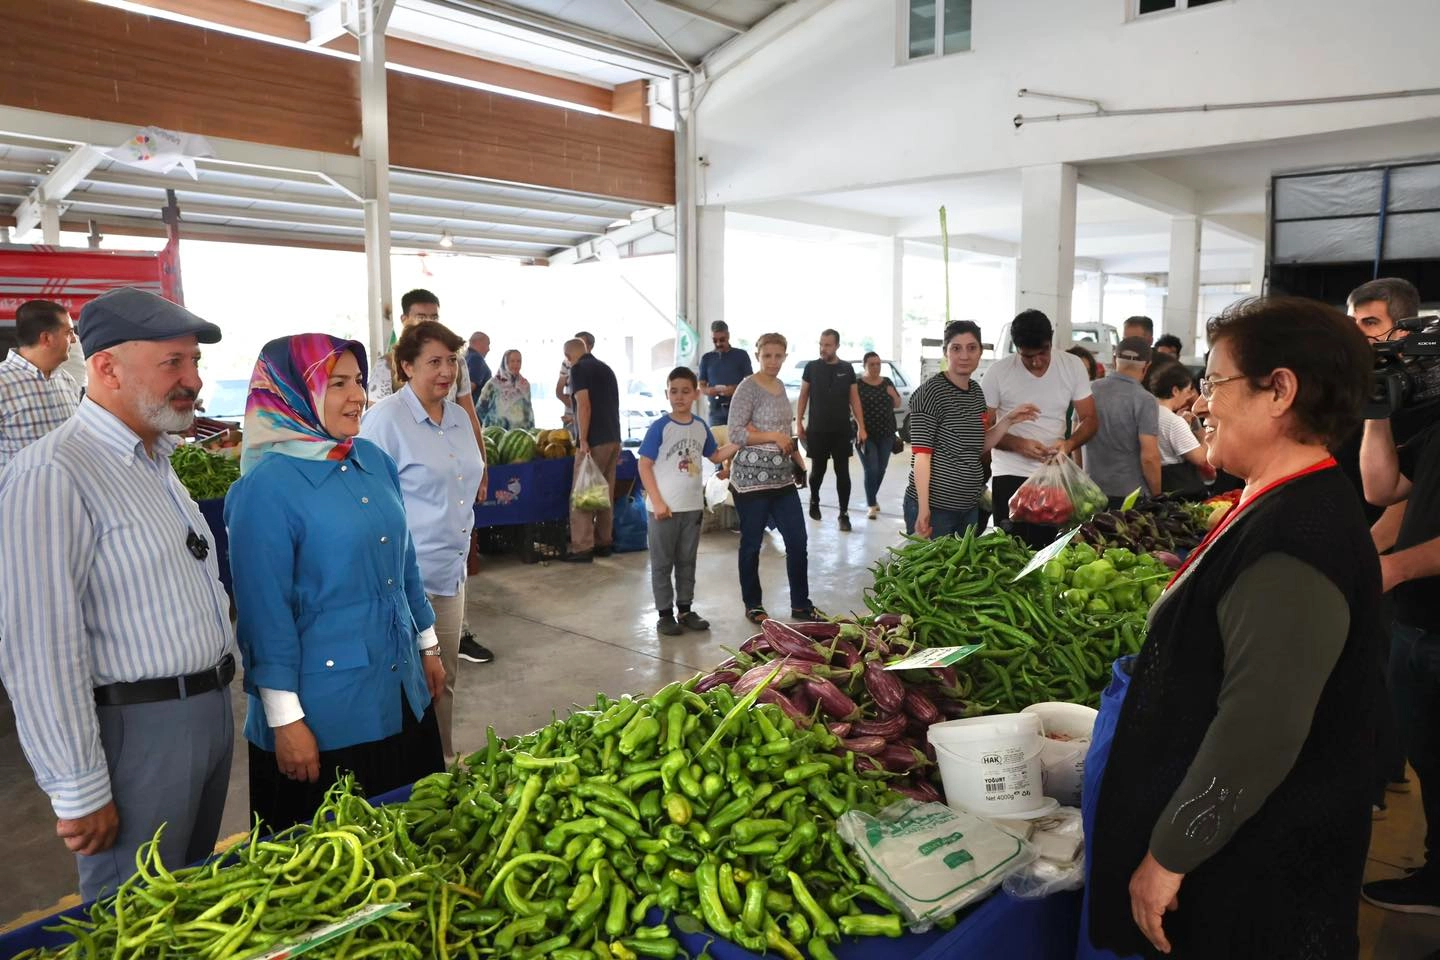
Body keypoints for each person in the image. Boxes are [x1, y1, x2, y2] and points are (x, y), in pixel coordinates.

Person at [1089, 296, 1381, 959]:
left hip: (1253, 874)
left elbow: (1260, 730)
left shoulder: (1296, 541)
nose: (1199, 405)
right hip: (1246, 852)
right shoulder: (1283, 501)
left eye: (1215, 384)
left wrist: (1168, 856)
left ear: (1279, 390)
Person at [0, 287, 234, 900]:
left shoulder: (156, 461)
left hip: (204, 713)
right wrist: (78, 787)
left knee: (186, 908)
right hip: (136, 733)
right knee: (133, 918)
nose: (193, 380)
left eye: (195, 363)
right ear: (105, 367)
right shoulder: (54, 473)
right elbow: (39, 647)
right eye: (173, 363)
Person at [226, 334, 446, 831]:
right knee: (340, 860)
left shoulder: (373, 462)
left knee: (417, 835)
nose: (357, 396)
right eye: (338, 383)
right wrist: (284, 719)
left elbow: (405, 565)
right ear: (290, 393)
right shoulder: (265, 488)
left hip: (400, 688)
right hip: (326, 716)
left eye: (360, 382)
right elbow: (265, 614)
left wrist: (427, 645)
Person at [361, 321, 487, 761]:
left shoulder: (456, 417)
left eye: (451, 360)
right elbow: (365, 499)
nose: (446, 370)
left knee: (443, 678)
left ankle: (441, 764)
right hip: (402, 579)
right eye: (434, 361)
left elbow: (465, 479)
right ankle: (404, 775)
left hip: (449, 575)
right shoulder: (384, 421)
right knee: (403, 683)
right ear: (406, 367)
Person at [1359, 311, 1440, 916]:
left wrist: (1396, 567)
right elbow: (1380, 488)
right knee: (1428, 760)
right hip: (1416, 624)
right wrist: (1376, 411)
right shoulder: (1435, 431)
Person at [905, 321, 1038, 539]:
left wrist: (1008, 420)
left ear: (980, 352)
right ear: (945, 352)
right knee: (934, 571)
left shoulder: (976, 392)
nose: (964, 355)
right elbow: (921, 456)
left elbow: (977, 446)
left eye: (971, 348)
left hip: (968, 508)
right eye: (956, 348)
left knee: (961, 571)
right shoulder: (929, 394)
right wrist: (923, 508)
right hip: (936, 509)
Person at [636, 367, 739, 637]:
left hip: (692, 507)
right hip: (663, 510)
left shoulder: (700, 426)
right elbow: (644, 465)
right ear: (667, 394)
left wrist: (739, 442)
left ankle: (685, 609)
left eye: (685, 391)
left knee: (686, 561)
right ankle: (664, 614)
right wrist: (657, 501)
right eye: (673, 391)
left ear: (695, 394)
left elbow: (715, 456)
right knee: (662, 563)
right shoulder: (660, 427)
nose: (679, 397)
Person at [982, 309, 1098, 546]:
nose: (1036, 361)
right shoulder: (998, 373)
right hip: (1009, 474)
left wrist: (1069, 443)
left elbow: (1090, 419)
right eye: (1027, 356)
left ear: (1051, 340)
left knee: (1050, 549)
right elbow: (981, 432)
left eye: (1042, 353)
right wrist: (1017, 444)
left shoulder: (1072, 366)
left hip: (1054, 475)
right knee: (1010, 550)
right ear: (1016, 348)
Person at [727, 333, 818, 624]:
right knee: (752, 543)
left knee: (797, 540)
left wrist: (799, 463)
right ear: (758, 356)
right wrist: (773, 437)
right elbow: (736, 433)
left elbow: (786, 434)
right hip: (751, 480)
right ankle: (753, 603)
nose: (773, 361)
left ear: (785, 357)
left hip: (782, 480)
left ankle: (801, 604)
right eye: (767, 356)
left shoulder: (780, 387)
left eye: (779, 356)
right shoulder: (747, 388)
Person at [370, 289, 483, 445]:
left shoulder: (458, 362)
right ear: (404, 319)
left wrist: (482, 466)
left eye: (434, 317)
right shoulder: (386, 366)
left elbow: (470, 418)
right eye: (421, 317)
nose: (429, 323)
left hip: (453, 447)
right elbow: (377, 424)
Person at [0, 299, 81, 473]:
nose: (74, 340)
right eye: (69, 333)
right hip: (20, 498)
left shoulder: (67, 381)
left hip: (68, 494)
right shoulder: (2, 383)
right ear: (46, 338)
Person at [797, 328, 866, 531]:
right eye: (821, 344)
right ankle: (814, 499)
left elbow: (855, 399)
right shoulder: (811, 367)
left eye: (827, 345)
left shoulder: (847, 368)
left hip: (841, 430)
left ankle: (843, 514)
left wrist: (862, 426)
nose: (823, 348)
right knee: (817, 471)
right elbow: (803, 395)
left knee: (842, 472)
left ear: (836, 346)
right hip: (817, 429)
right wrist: (799, 421)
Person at [562, 336, 621, 563]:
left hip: (594, 439)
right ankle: (604, 542)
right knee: (604, 492)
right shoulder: (606, 369)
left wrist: (583, 439)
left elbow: (584, 405)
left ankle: (582, 547)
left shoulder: (578, 370)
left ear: (568, 356)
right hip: (613, 438)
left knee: (583, 493)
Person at [1084, 337, 1161, 505]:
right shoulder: (1145, 400)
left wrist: (1084, 479)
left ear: (1113, 359)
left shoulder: (1089, 389)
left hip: (1091, 492)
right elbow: (1149, 457)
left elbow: (1078, 438)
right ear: (1147, 366)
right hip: (1130, 496)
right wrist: (1157, 496)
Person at [1149, 360, 1214, 498]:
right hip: (1178, 487)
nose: (1190, 395)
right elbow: (1201, 458)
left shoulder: (1148, 413)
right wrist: (1202, 433)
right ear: (1175, 390)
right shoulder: (1173, 421)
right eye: (1188, 390)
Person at [856, 351, 901, 520]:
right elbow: (852, 406)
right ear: (865, 366)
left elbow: (897, 404)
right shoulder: (857, 384)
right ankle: (871, 505)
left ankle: (872, 498)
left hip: (887, 433)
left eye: (878, 364)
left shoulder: (887, 382)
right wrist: (860, 428)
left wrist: (892, 393)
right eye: (871, 364)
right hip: (866, 434)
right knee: (871, 468)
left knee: (881, 469)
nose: (875, 367)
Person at [697, 320, 753, 442]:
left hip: (739, 409)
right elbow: (701, 384)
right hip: (715, 410)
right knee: (717, 446)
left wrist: (735, 389)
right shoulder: (707, 358)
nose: (718, 343)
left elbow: (750, 382)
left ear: (728, 336)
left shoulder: (741, 355)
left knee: (738, 444)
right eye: (715, 340)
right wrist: (708, 390)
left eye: (722, 340)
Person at [476, 349, 535, 430]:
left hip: (520, 433)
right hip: (495, 433)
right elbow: (480, 408)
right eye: (512, 361)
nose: (516, 364)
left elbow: (529, 410)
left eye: (519, 361)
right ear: (505, 363)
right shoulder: (493, 384)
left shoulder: (525, 384)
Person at [555, 330, 596, 439]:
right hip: (570, 417)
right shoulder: (567, 363)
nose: (578, 346)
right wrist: (573, 407)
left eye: (581, 343)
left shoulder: (595, 366)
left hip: (589, 419)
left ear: (590, 346)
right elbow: (559, 391)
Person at [467, 331, 492, 402]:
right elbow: (469, 388)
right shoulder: (477, 359)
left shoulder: (465, 358)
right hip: (475, 409)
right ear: (479, 342)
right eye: (487, 344)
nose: (488, 349)